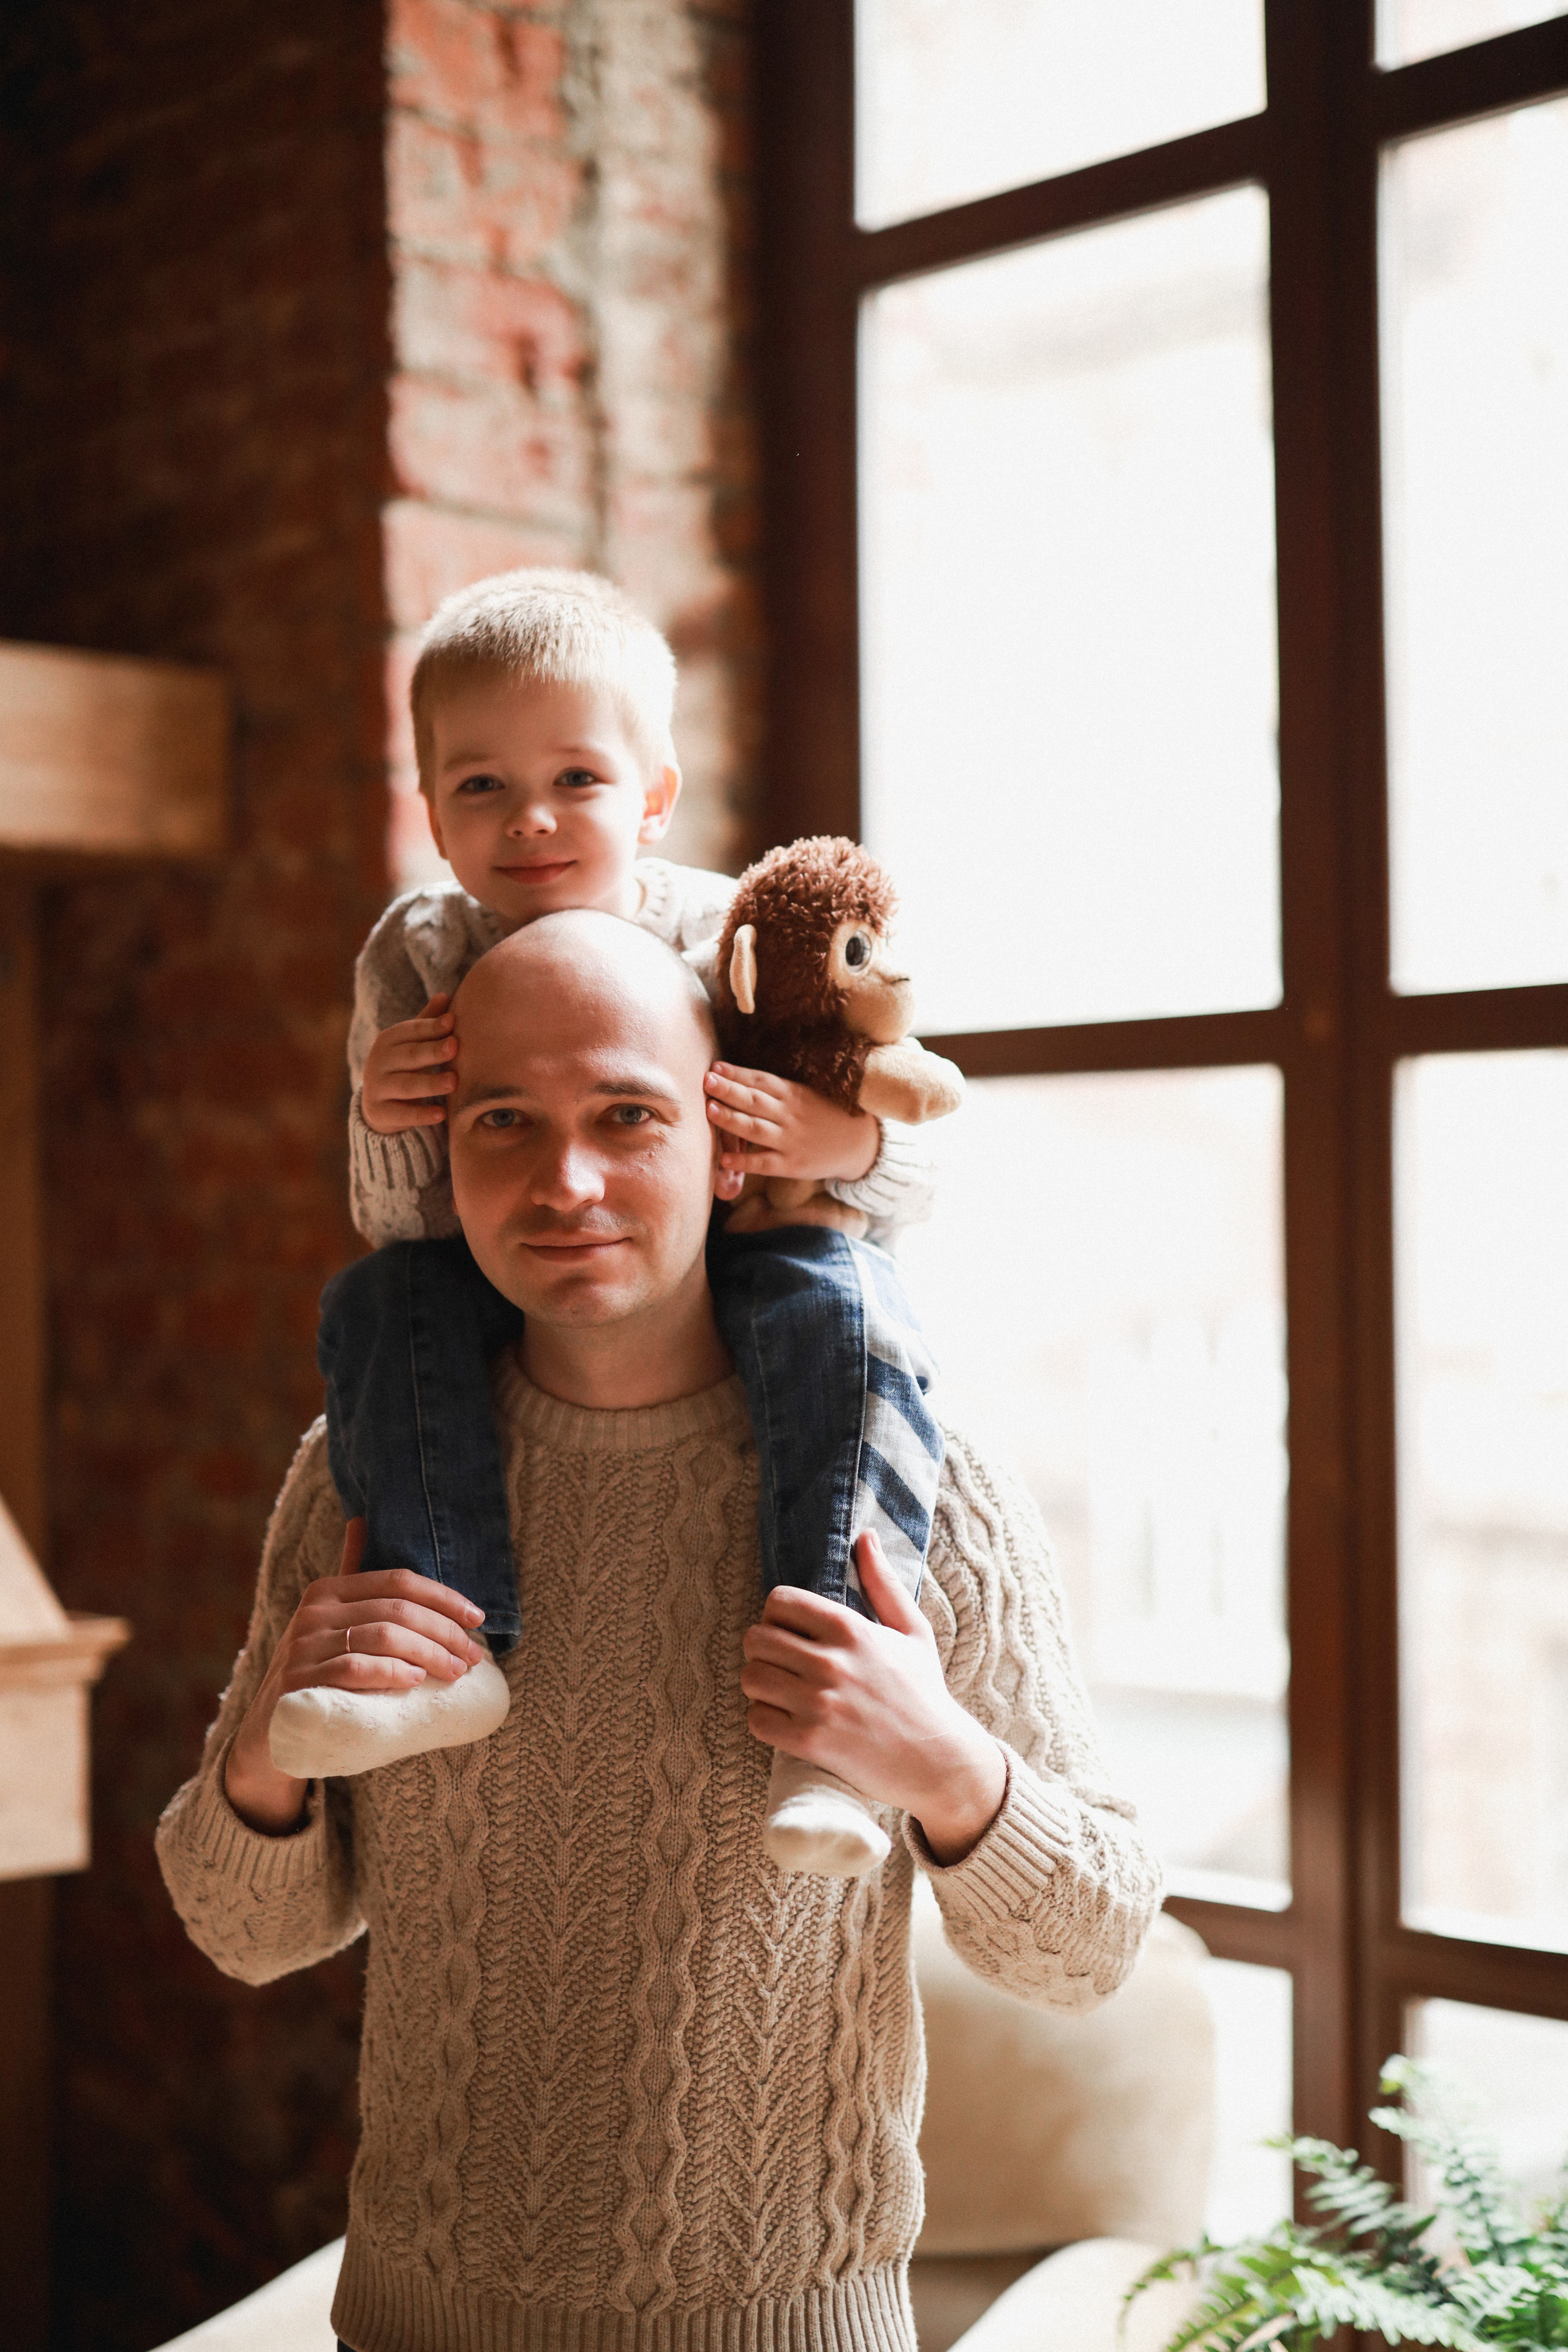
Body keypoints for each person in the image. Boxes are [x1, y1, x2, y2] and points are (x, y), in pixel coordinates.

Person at [157, 913, 1163, 2352]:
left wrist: (947, 1769)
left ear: (729, 1141)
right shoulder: (364, 1468)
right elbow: (237, 1928)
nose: (564, 1182)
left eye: (626, 1115)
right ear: (445, 1150)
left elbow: (1095, 1944)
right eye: (505, 1120)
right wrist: (270, 1745)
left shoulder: (910, 1471)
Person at [306, 567, 943, 1872]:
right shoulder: (415, 958)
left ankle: (833, 1686)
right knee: (375, 1307)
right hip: (502, 1278)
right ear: (430, 811)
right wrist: (383, 1119)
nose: (530, 819)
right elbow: (401, 1228)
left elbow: (911, 1173)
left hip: (743, 1258)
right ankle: (453, 1642)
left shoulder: (731, 936)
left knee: (850, 1304)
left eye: (577, 780)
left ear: (652, 797)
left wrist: (849, 1142)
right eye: (479, 785)